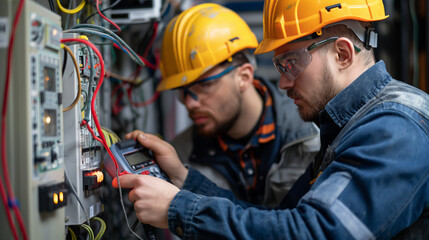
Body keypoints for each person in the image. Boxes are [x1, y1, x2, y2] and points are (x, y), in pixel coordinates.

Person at [113, 0, 429, 239]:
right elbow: (283, 218)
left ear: (343, 54)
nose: (283, 83)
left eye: (291, 62)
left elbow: (312, 232)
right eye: (279, 65)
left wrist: (178, 208)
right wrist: (184, 180)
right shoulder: (347, 127)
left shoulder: (395, 128)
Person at [156, 3, 320, 206]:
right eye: (182, 91)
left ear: (244, 76)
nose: (190, 103)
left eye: (205, 85)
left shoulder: (313, 136)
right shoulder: (180, 156)